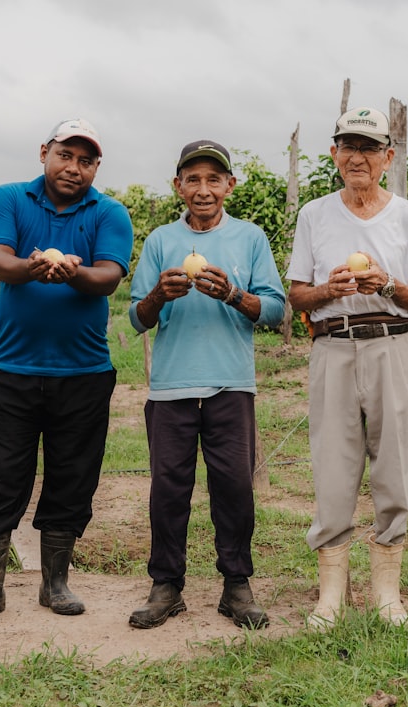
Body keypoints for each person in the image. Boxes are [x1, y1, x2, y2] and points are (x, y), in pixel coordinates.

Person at [0, 118, 133, 624]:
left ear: (96, 167)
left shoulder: (109, 212)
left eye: (85, 160)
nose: (73, 168)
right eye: (65, 155)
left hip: (83, 373)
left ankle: (55, 584)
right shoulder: (11, 198)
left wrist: (72, 271)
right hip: (12, 370)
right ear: (44, 153)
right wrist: (34, 267)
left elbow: (107, 279)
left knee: (72, 476)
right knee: (2, 477)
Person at [287, 107, 408, 628]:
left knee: (393, 463)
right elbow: (296, 296)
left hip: (393, 344)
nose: (358, 157)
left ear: (387, 158)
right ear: (334, 155)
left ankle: (386, 594)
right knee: (333, 463)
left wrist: (389, 285)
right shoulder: (315, 214)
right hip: (332, 344)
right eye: (348, 146)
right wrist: (329, 290)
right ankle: (330, 595)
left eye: (370, 148)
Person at [127, 140, 286, 630]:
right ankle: (166, 585)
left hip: (230, 386)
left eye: (213, 180)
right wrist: (160, 292)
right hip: (171, 388)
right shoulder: (159, 241)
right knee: (168, 489)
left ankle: (236, 585)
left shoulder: (251, 239)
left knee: (234, 488)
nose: (203, 189)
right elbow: (136, 318)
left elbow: (277, 310)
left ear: (229, 186)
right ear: (178, 186)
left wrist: (235, 295)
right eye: (192, 180)